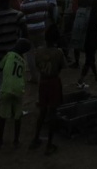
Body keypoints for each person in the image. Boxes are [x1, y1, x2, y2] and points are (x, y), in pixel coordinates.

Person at [29, 25, 66, 154]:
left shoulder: (38, 52)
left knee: (42, 111)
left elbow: (37, 65)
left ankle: (36, 138)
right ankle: (49, 143)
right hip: (54, 81)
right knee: (53, 113)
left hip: (43, 81)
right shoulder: (59, 52)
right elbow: (62, 67)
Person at [0, 38, 31, 150]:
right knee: (17, 116)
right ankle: (16, 140)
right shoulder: (23, 61)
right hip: (18, 90)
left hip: (7, 89)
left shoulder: (9, 54)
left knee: (2, 116)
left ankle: (0, 141)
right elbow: (23, 76)